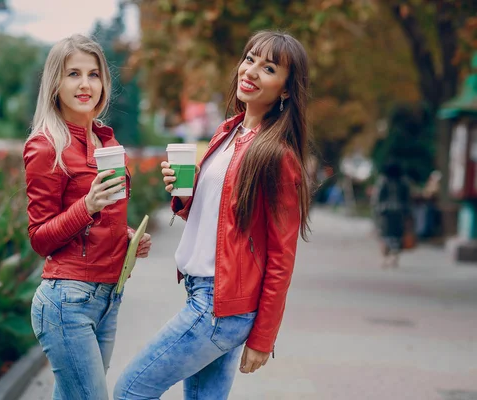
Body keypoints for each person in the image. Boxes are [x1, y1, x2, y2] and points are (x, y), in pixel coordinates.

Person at [114, 30, 311, 400]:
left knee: (132, 389)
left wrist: (263, 337)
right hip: (203, 295)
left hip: (220, 306)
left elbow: (282, 257)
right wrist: (182, 193)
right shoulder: (227, 132)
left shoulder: (277, 157)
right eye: (249, 59)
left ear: (286, 90)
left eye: (268, 68)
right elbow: (222, 221)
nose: (250, 71)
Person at [23, 34, 151, 400]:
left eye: (93, 74)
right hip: (67, 301)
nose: (85, 84)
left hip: (109, 297)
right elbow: (40, 238)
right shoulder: (46, 145)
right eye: (73, 74)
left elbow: (103, 221)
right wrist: (87, 207)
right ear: (55, 84)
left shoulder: (108, 143)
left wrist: (127, 235)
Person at [371, 161, 411, 268]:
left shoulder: (383, 181)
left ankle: (384, 258)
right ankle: (394, 257)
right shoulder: (403, 182)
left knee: (384, 235)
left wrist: (375, 211)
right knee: (397, 236)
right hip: (399, 212)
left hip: (385, 213)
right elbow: (407, 199)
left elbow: (376, 198)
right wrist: (407, 214)